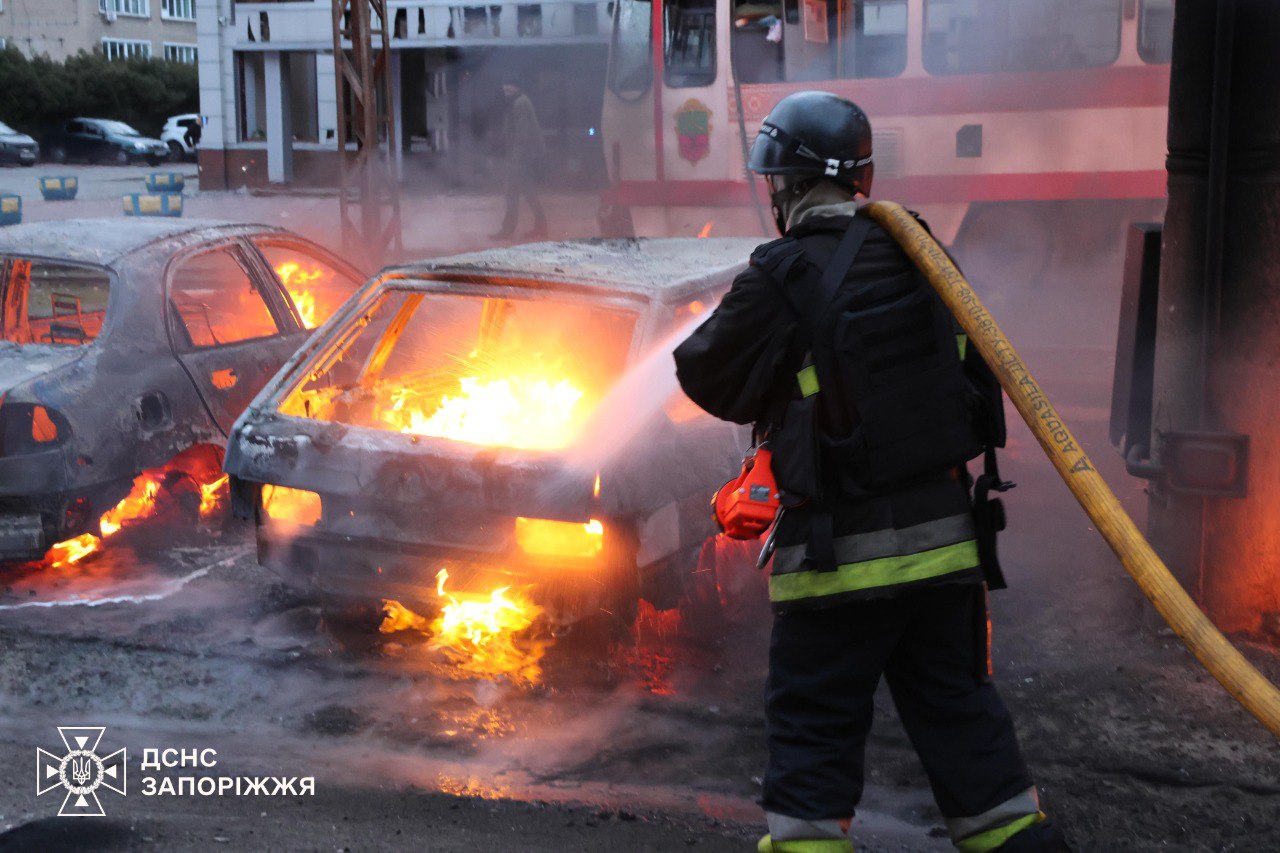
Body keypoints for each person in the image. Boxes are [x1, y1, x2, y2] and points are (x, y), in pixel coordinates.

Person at [672, 91, 1070, 853]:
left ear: (786, 184)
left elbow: (707, 376)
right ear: (863, 174)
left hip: (836, 569)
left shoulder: (782, 273)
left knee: (811, 779)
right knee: (978, 761)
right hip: (949, 558)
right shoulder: (927, 254)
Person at [491, 76, 548, 240]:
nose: (505, 91)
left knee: (511, 192)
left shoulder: (519, 103)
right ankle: (540, 227)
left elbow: (523, 135)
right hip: (526, 155)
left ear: (516, 88)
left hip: (522, 156)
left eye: (508, 89)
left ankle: (507, 230)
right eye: (504, 88)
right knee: (528, 192)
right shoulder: (520, 100)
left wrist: (515, 160)